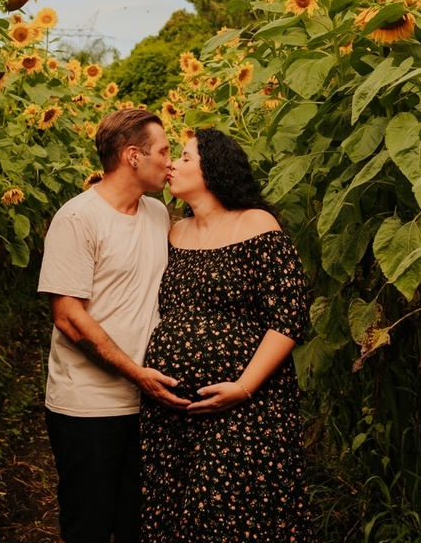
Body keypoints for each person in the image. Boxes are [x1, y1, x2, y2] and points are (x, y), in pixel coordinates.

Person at [141, 127, 313, 543]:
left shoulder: (256, 224)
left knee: (228, 514)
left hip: (244, 406)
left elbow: (289, 315)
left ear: (213, 168)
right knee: (179, 513)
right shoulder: (173, 232)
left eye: (184, 157)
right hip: (174, 409)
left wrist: (243, 387)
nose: (172, 166)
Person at [37, 108, 192, 543]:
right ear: (132, 156)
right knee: (89, 524)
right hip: (88, 406)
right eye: (163, 151)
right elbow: (69, 316)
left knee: (137, 524)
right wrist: (136, 373)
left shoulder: (158, 214)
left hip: (147, 403)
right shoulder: (78, 218)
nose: (170, 162)